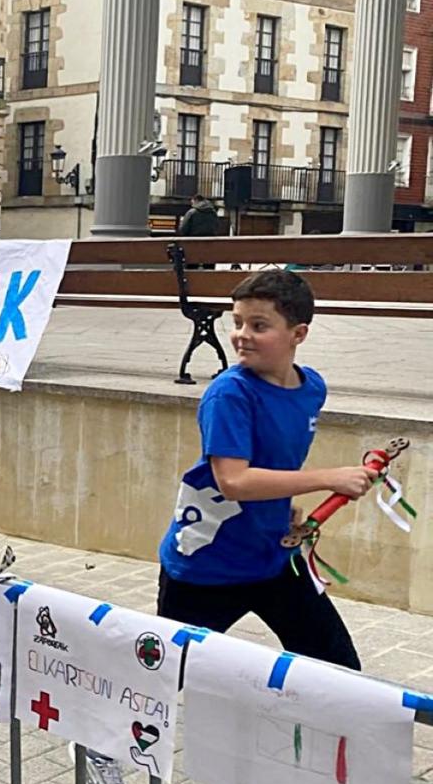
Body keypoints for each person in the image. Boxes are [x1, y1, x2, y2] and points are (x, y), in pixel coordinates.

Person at [157, 269, 375, 671]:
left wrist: (285, 503)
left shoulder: (312, 389)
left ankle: (327, 734)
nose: (242, 335)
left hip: (274, 558)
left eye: (259, 325)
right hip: (206, 566)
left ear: (299, 333)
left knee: (339, 670)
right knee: (163, 679)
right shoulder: (229, 394)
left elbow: (274, 461)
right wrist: (330, 478)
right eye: (237, 322)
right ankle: (99, 732)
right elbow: (234, 480)